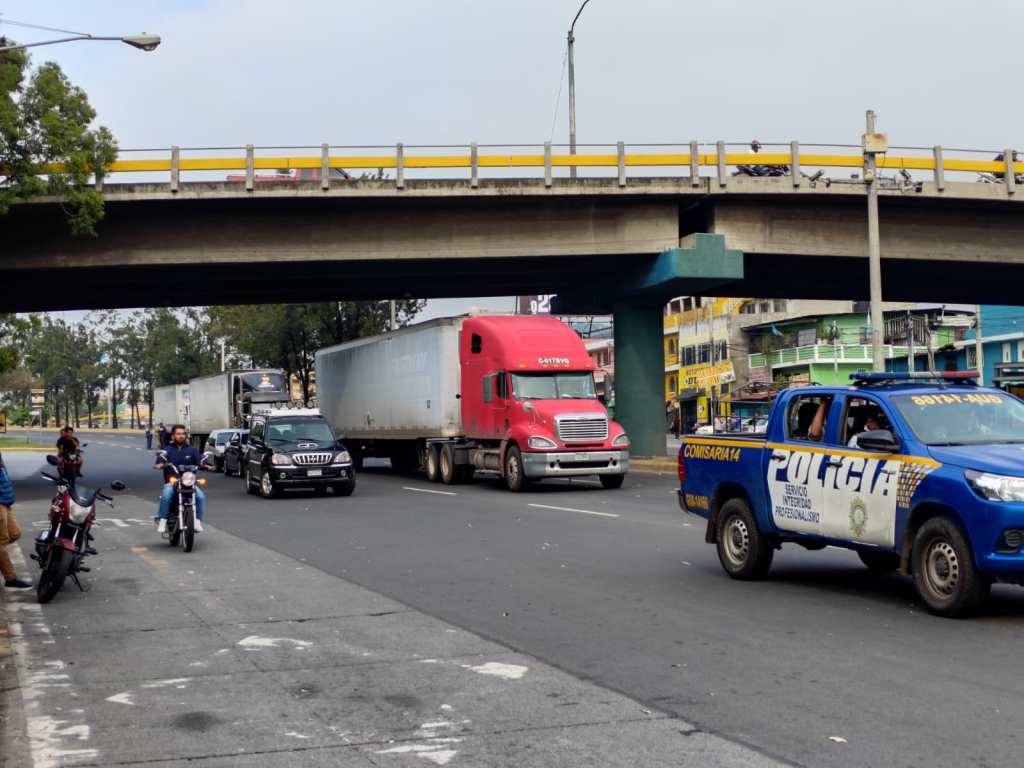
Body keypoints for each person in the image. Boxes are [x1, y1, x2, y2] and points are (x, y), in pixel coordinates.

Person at [154, 424, 205, 534]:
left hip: (189, 483)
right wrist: (160, 464)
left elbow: (200, 461)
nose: (181, 436)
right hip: (172, 482)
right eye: (178, 434)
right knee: (167, 496)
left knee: (200, 497)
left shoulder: (192, 450)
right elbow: (159, 462)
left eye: (183, 434)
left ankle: (197, 521)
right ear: (172, 436)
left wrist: (206, 465)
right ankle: (162, 520)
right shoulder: (167, 450)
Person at [0, 451, 32, 589]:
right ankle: (10, 578)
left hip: (6, 500)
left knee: (14, 533)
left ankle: (2, 560)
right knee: (1, 540)